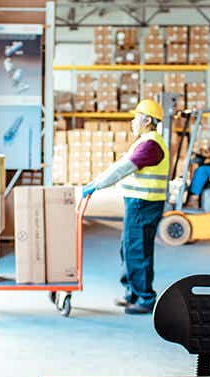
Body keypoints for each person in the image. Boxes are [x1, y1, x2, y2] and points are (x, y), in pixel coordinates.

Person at [82, 100, 170, 314]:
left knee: (137, 250)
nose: (132, 121)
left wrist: (97, 185)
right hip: (139, 203)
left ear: (147, 120)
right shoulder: (144, 142)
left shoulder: (150, 145)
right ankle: (132, 293)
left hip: (144, 203)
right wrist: (97, 181)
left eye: (136, 117)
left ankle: (144, 299)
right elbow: (120, 166)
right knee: (129, 248)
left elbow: (123, 168)